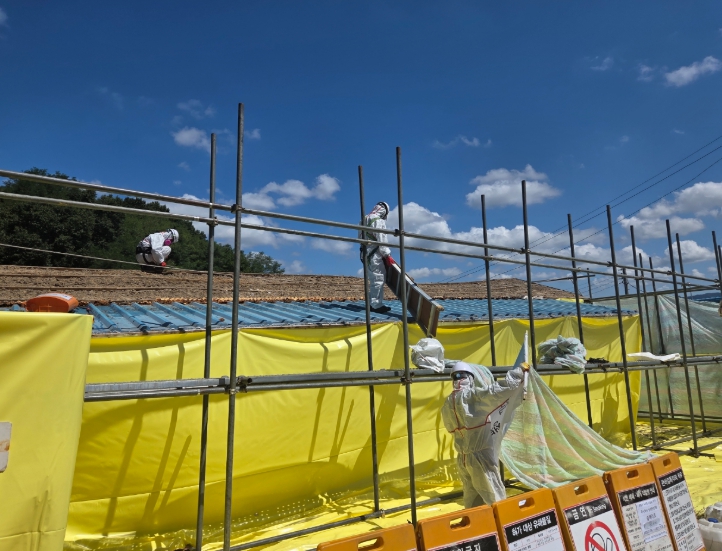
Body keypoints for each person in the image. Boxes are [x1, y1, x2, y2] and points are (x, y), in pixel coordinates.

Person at [441, 353, 530, 508]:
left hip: (463, 458)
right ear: (471, 378)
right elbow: (496, 391)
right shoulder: (472, 396)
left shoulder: (448, 403)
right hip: (481, 458)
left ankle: (477, 523)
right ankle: (502, 523)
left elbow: (451, 427)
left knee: (472, 500)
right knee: (495, 499)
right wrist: (518, 374)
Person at [360, 201, 391, 313]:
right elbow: (381, 240)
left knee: (373, 279)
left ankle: (371, 303)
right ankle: (376, 305)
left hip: (365, 253)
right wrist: (387, 254)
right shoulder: (378, 221)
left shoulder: (363, 219)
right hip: (375, 254)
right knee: (378, 279)